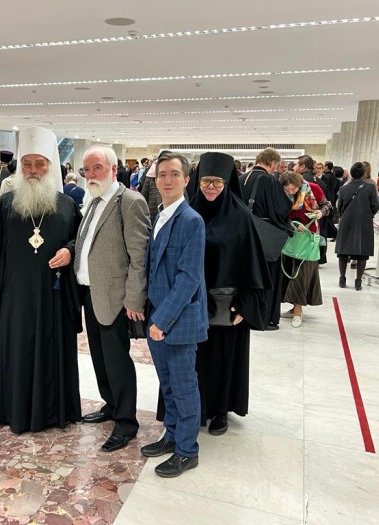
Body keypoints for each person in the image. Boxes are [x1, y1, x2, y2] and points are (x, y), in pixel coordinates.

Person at [0, 126, 82, 434]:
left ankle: (55, 411)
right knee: (17, 354)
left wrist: (70, 250)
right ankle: (17, 411)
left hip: (53, 297)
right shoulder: (5, 205)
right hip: (16, 299)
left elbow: (80, 241)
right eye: (27, 164)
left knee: (52, 352)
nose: (33, 170)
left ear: (50, 166)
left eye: (40, 164)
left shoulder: (66, 205)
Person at [76, 146, 150, 452]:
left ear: (113, 168)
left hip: (116, 298)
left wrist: (134, 299)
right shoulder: (93, 200)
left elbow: (139, 256)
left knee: (117, 361)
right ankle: (111, 404)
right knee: (100, 357)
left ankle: (126, 422)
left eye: (97, 168)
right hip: (91, 293)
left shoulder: (129, 201)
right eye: (87, 170)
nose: (91, 174)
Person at [192, 152, 270, 434]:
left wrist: (245, 303)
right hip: (193, 304)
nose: (211, 187)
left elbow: (253, 266)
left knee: (223, 359)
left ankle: (220, 410)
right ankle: (195, 407)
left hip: (226, 307)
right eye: (205, 181)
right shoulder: (189, 212)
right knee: (194, 359)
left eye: (218, 182)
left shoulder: (241, 218)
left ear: (227, 182)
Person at [141, 151, 207, 478]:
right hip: (157, 315)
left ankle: (187, 450)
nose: (167, 180)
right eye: (162, 174)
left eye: (174, 174)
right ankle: (172, 434)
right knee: (167, 385)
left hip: (176, 320)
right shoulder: (161, 215)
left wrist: (161, 320)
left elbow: (188, 278)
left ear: (186, 179)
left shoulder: (191, 220)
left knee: (183, 387)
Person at [239, 147, 292, 330]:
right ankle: (264, 318)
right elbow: (281, 210)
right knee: (267, 277)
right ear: (272, 163)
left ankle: (244, 315)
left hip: (242, 236)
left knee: (245, 277)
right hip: (264, 238)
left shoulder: (241, 179)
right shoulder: (269, 181)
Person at [279, 171, 325, 328]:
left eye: (293, 189)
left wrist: (320, 212)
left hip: (308, 238)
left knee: (303, 274)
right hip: (290, 237)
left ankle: (298, 311)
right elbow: (279, 213)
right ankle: (294, 308)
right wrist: (290, 223)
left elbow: (327, 205)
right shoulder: (281, 192)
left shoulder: (313, 188)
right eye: (287, 190)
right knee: (289, 272)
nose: (291, 192)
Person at [335, 162, 379, 290]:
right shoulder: (370, 187)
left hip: (346, 220)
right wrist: (369, 214)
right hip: (364, 221)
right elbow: (375, 205)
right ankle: (358, 281)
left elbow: (339, 206)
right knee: (362, 252)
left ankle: (342, 278)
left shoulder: (343, 188)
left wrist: (344, 215)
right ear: (363, 173)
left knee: (343, 251)